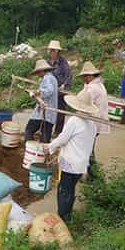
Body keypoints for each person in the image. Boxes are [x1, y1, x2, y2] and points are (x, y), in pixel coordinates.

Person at [44, 89, 98, 222]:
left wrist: (50, 147)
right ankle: (67, 216)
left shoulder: (74, 121)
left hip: (69, 164)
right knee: (70, 190)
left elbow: (63, 138)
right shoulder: (92, 125)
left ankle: (63, 219)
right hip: (81, 165)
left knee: (64, 192)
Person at [78, 61, 110, 178]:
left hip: (94, 122)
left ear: (90, 76)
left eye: (85, 76)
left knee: (87, 149)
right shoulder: (98, 85)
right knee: (88, 148)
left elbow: (83, 103)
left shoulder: (93, 88)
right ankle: (92, 175)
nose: (84, 79)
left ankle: (94, 176)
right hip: (97, 121)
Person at [25, 59, 59, 143]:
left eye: (38, 72)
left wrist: (38, 92)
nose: (38, 75)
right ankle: (42, 154)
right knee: (45, 136)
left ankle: (30, 149)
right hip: (50, 113)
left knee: (29, 129)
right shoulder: (52, 78)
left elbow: (49, 90)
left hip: (44, 112)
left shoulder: (47, 78)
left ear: (42, 71)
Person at [47, 40, 71, 136]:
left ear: (57, 52)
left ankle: (58, 131)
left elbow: (69, 75)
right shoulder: (48, 61)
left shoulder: (62, 62)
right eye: (50, 50)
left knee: (60, 112)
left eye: (53, 51)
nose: (51, 52)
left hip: (61, 90)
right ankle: (47, 129)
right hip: (51, 90)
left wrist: (64, 85)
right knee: (49, 110)